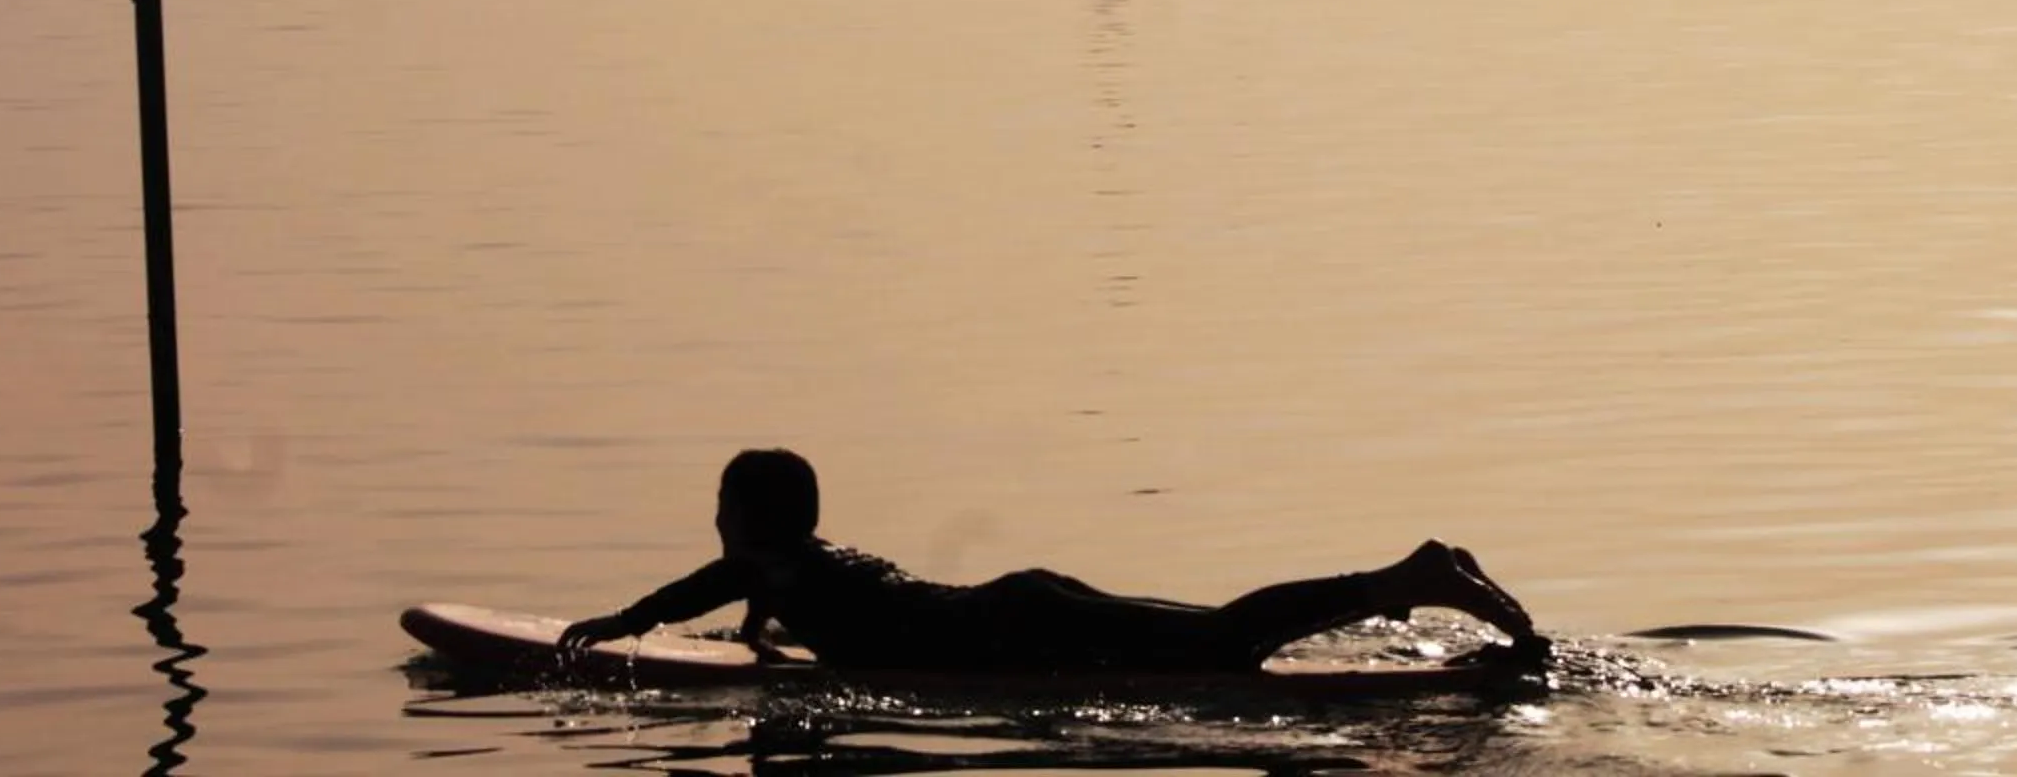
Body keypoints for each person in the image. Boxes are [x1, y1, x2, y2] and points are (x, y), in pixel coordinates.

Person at [556, 448, 1546, 675]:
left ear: (746, 521)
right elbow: (780, 600)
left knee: (1217, 644)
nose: (715, 524)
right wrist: (760, 642)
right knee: (1213, 631)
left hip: (1012, 625)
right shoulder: (803, 566)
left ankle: (1406, 576)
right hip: (1017, 600)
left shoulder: (765, 570)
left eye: (721, 508)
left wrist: (617, 623)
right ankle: (1402, 578)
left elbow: (704, 585)